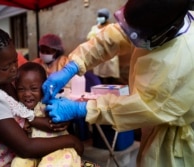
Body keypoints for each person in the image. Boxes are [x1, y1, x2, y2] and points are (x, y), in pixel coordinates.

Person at [42, 0, 194, 166]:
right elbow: (113, 37)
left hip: (176, 146)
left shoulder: (185, 59)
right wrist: (73, 65)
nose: (130, 34)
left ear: (165, 32)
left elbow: (143, 106)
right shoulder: (155, 23)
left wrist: (83, 108)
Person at [0, 25, 83, 166]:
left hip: (24, 160)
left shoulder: (8, 82)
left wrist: (55, 121)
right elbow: (26, 148)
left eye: (15, 61)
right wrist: (72, 140)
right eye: (6, 67)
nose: (14, 70)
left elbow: (25, 114)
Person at [11, 62, 81, 167]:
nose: (27, 94)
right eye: (21, 89)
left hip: (58, 149)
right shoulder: (18, 107)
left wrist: (29, 120)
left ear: (44, 87)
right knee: (18, 163)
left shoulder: (49, 103)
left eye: (34, 88)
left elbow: (53, 124)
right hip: (34, 151)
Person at [86, 8, 120, 85]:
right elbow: (89, 38)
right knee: (100, 77)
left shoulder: (112, 26)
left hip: (110, 56)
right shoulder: (95, 28)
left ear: (106, 17)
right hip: (99, 55)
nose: (100, 18)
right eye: (99, 16)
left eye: (102, 16)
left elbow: (115, 39)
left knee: (111, 77)